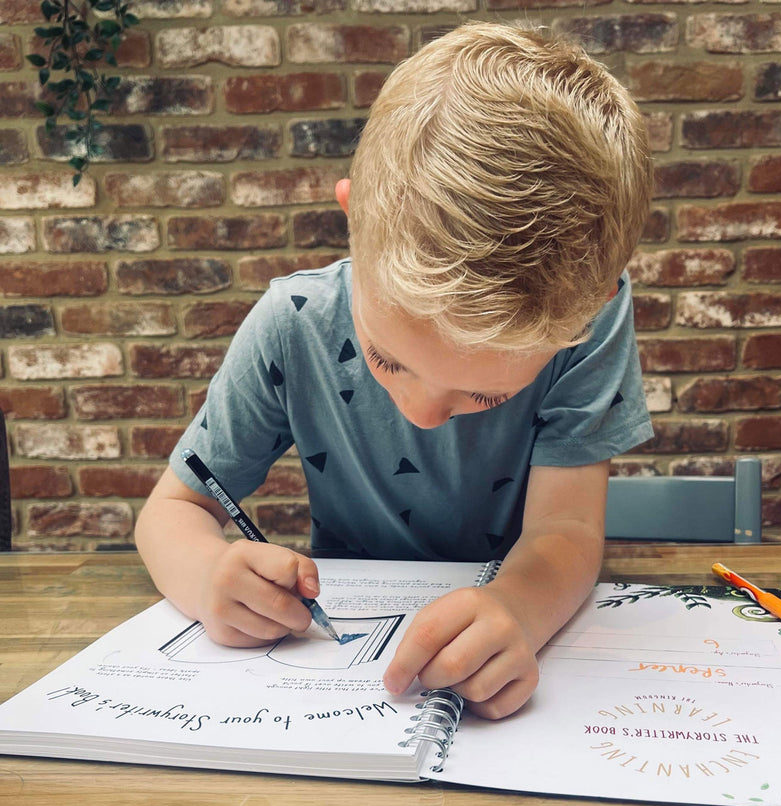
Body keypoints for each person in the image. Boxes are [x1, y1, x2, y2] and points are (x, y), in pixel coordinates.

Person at [135, 21, 654, 720]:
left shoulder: (584, 319)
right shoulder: (292, 324)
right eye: (388, 359)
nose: (422, 413)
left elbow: (566, 529)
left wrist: (520, 610)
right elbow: (172, 510)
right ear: (354, 222)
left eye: (487, 392)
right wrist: (206, 577)